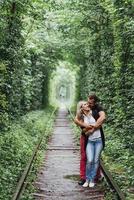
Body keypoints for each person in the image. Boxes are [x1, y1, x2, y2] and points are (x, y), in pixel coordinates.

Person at [74, 94, 106, 186]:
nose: (88, 104)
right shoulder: (81, 115)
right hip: (86, 137)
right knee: (85, 157)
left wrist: (93, 127)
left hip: (96, 137)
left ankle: (95, 176)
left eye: (89, 103)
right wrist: (86, 126)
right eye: (86, 103)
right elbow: (77, 122)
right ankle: (84, 177)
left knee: (95, 158)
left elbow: (102, 118)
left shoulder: (94, 110)